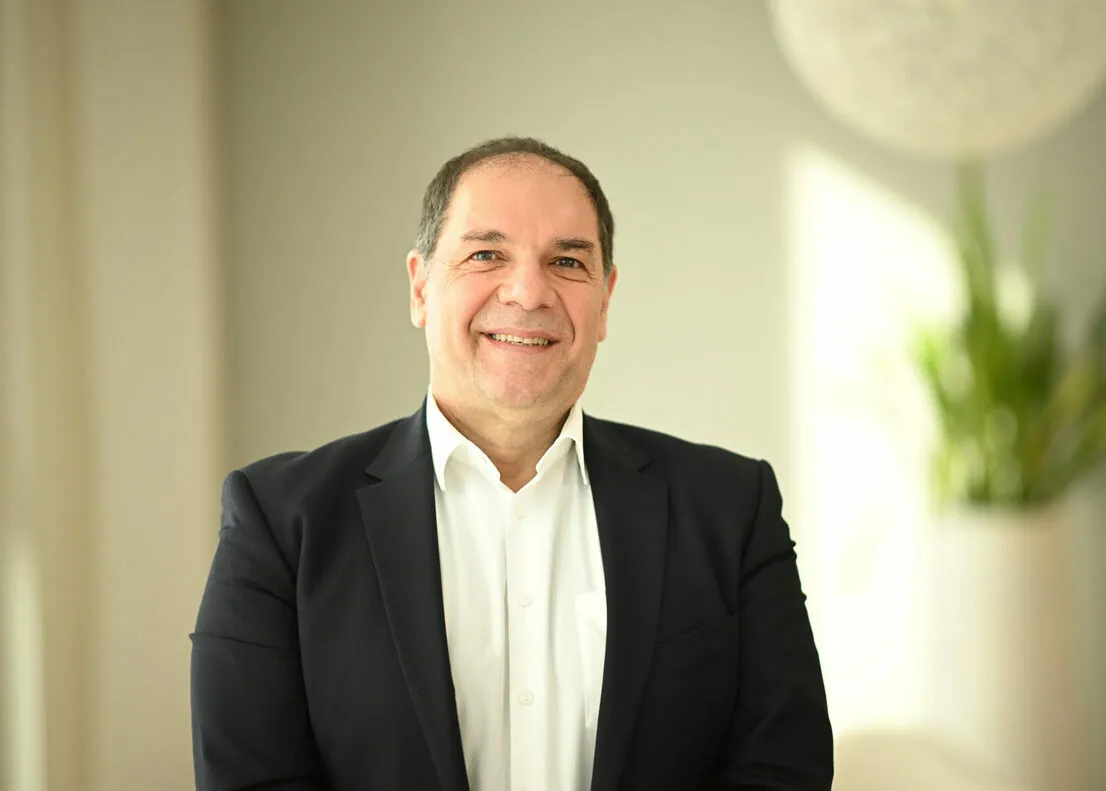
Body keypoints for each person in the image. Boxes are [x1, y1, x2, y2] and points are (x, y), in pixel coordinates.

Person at [190, 136, 833, 791]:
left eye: (567, 261)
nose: (528, 291)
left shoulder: (730, 506)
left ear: (604, 300)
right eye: (486, 254)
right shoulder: (280, 520)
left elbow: (783, 768)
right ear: (420, 286)